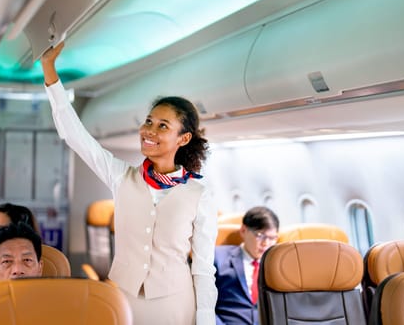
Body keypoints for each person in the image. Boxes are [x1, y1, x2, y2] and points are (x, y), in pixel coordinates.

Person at [41, 42, 218, 325]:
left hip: (177, 305)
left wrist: (205, 318)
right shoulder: (121, 176)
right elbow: (76, 137)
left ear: (183, 139)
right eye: (149, 121)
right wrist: (49, 71)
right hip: (123, 300)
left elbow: (203, 267)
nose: (149, 130)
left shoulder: (199, 192)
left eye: (163, 126)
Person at [214, 206, 279, 325]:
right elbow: (203, 304)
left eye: (272, 238)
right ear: (243, 231)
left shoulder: (278, 266)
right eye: (260, 236)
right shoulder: (218, 257)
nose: (266, 243)